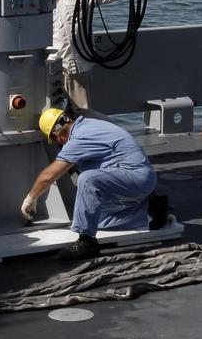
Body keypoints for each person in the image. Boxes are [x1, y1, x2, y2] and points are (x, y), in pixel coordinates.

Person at [20, 106, 157, 261]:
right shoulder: (89, 124)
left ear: (56, 136)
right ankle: (148, 213)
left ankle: (87, 241)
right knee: (91, 215)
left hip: (137, 177)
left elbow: (48, 176)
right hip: (136, 179)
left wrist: (30, 199)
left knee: (87, 178)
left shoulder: (79, 138)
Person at [52, 0, 159, 108]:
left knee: (82, 112)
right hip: (51, 69)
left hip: (75, 69)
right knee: (51, 114)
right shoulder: (38, 0)